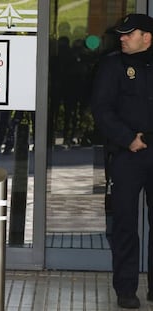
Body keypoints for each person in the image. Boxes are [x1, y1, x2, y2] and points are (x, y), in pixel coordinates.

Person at [91, 13, 153, 309]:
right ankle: (126, 289)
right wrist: (128, 138)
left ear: (147, 38)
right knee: (125, 223)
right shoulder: (112, 65)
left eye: (129, 33)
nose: (123, 38)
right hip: (127, 155)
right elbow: (101, 109)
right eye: (122, 34)